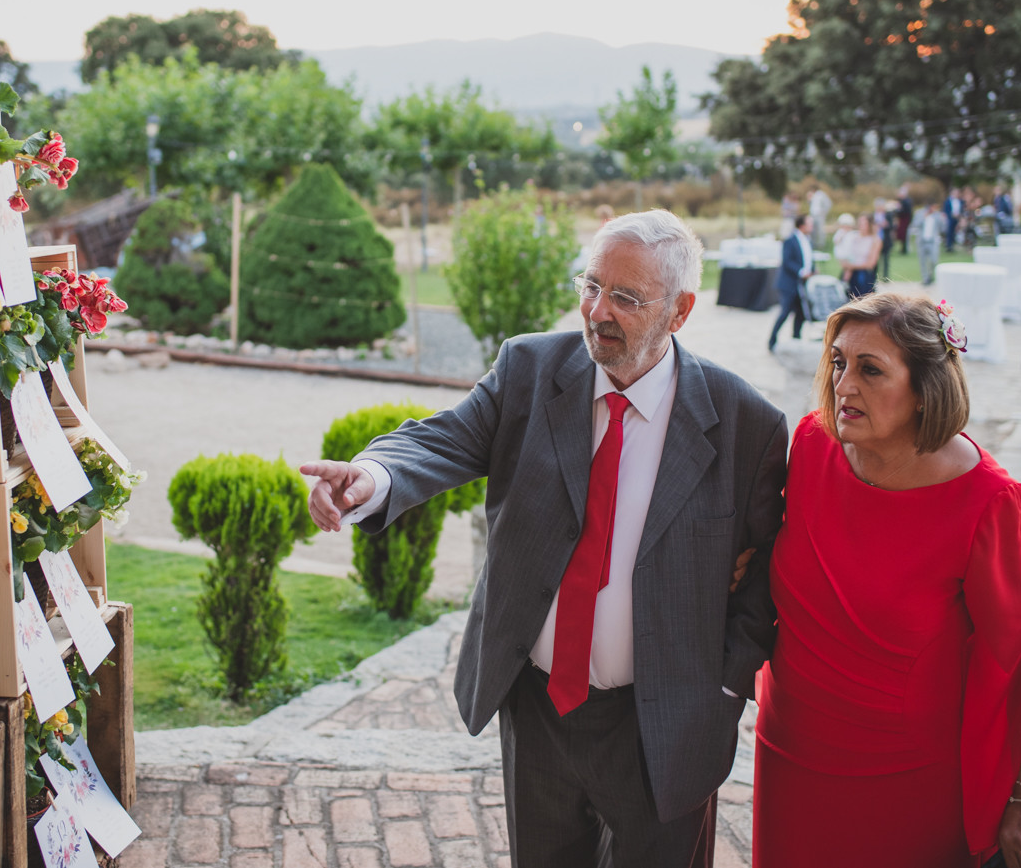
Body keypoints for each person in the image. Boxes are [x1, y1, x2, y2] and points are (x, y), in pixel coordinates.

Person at [301, 210, 788, 867]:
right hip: (538, 709)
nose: (597, 310)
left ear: (680, 311)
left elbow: (764, 574)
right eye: (591, 285)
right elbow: (444, 436)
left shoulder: (745, 423)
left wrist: (725, 688)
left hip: (666, 720)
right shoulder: (529, 369)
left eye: (625, 297)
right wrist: (371, 475)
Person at [753, 292, 1021, 868]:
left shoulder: (991, 503)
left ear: (926, 390)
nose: (843, 385)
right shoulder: (813, 445)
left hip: (909, 776)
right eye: (839, 361)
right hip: (790, 747)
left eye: (871, 370)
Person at [769, 214, 815, 351]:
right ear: (802, 225)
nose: (812, 226)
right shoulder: (790, 240)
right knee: (785, 312)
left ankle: (796, 338)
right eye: (809, 223)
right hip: (788, 284)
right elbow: (787, 261)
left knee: (800, 313)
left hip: (802, 285)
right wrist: (801, 272)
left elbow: (808, 259)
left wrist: (812, 270)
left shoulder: (808, 240)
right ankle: (772, 340)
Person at [841, 212, 881, 298]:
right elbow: (845, 252)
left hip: (864, 272)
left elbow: (871, 264)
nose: (861, 226)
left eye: (864, 224)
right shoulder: (853, 237)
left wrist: (851, 266)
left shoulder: (875, 240)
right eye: (860, 223)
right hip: (850, 270)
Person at [913, 200, 944, 285]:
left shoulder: (937, 215)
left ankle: (930, 275)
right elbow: (915, 224)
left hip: (933, 241)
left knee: (934, 260)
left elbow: (943, 228)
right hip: (922, 241)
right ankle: (925, 279)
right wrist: (924, 217)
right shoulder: (920, 213)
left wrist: (943, 219)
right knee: (922, 261)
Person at [895, 183, 914, 255]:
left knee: (905, 235)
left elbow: (906, 211)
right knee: (902, 235)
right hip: (902, 219)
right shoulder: (901, 201)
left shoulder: (906, 201)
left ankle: (905, 249)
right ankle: (903, 248)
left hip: (905, 219)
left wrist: (899, 210)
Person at [945, 186, 964, 252]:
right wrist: (951, 215)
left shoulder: (960, 201)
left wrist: (959, 216)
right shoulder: (948, 201)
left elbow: (962, 209)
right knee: (950, 232)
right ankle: (949, 246)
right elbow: (946, 210)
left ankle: (955, 244)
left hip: (958, 218)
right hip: (950, 218)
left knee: (957, 232)